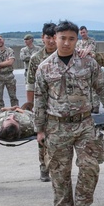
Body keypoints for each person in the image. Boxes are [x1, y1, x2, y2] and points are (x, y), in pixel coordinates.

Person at [35, 20, 104, 206]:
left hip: (84, 124)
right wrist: (40, 129)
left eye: (72, 39)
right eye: (63, 38)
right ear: (55, 39)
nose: (67, 43)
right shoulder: (45, 67)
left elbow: (103, 87)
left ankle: (82, 205)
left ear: (76, 40)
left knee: (90, 166)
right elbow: (40, 99)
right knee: (59, 171)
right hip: (56, 126)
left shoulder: (87, 63)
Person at [25, 23, 58, 181]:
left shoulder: (65, 54)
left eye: (53, 37)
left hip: (60, 104)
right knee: (42, 136)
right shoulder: (36, 58)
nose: (51, 41)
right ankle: (43, 167)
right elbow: (30, 83)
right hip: (42, 103)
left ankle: (57, 167)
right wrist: (31, 105)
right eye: (48, 37)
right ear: (42, 38)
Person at [0, 35, 18, 108]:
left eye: (0, 39)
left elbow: (10, 62)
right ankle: (0, 113)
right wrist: (6, 62)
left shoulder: (10, 51)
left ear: (3, 40)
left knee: (13, 97)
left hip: (9, 76)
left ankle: (16, 113)